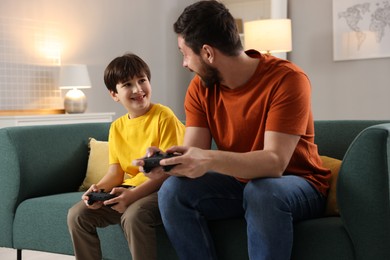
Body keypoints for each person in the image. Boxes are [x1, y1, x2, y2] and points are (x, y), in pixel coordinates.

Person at [135, 1, 331, 259]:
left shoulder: (288, 79)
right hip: (239, 185)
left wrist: (208, 159)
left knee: (261, 191)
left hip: (297, 185)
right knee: (173, 191)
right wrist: (169, 163)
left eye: (184, 53)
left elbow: (274, 163)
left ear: (207, 53)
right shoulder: (200, 88)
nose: (184, 63)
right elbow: (194, 152)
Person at [67, 53, 185, 260]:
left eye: (142, 81)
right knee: (77, 215)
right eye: (128, 84)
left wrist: (132, 196)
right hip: (129, 190)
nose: (138, 89)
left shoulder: (163, 116)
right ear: (114, 94)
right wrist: (99, 189)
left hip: (162, 189)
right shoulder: (117, 127)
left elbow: (168, 171)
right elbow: (116, 171)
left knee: (133, 216)